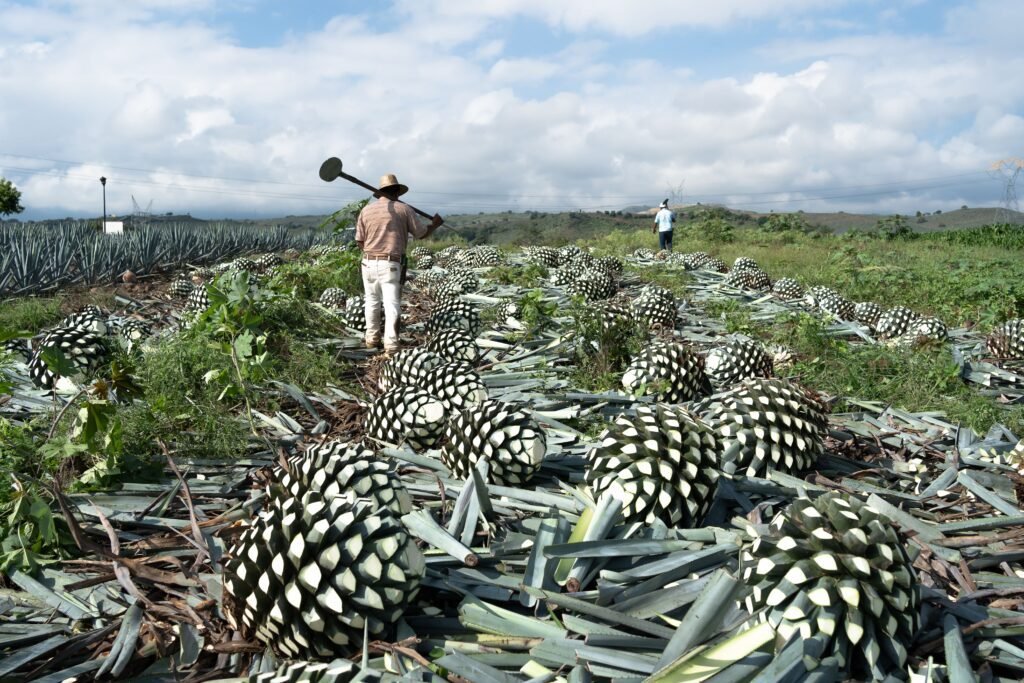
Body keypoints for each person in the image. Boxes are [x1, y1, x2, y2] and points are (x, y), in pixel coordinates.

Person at [355, 173, 443, 353]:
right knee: (391, 304)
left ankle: (372, 339)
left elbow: (359, 241)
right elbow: (420, 234)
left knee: (371, 301)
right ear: (397, 191)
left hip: (368, 262)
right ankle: (392, 346)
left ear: (380, 192)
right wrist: (434, 225)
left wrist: (372, 252)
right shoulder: (404, 209)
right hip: (390, 264)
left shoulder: (366, 211)